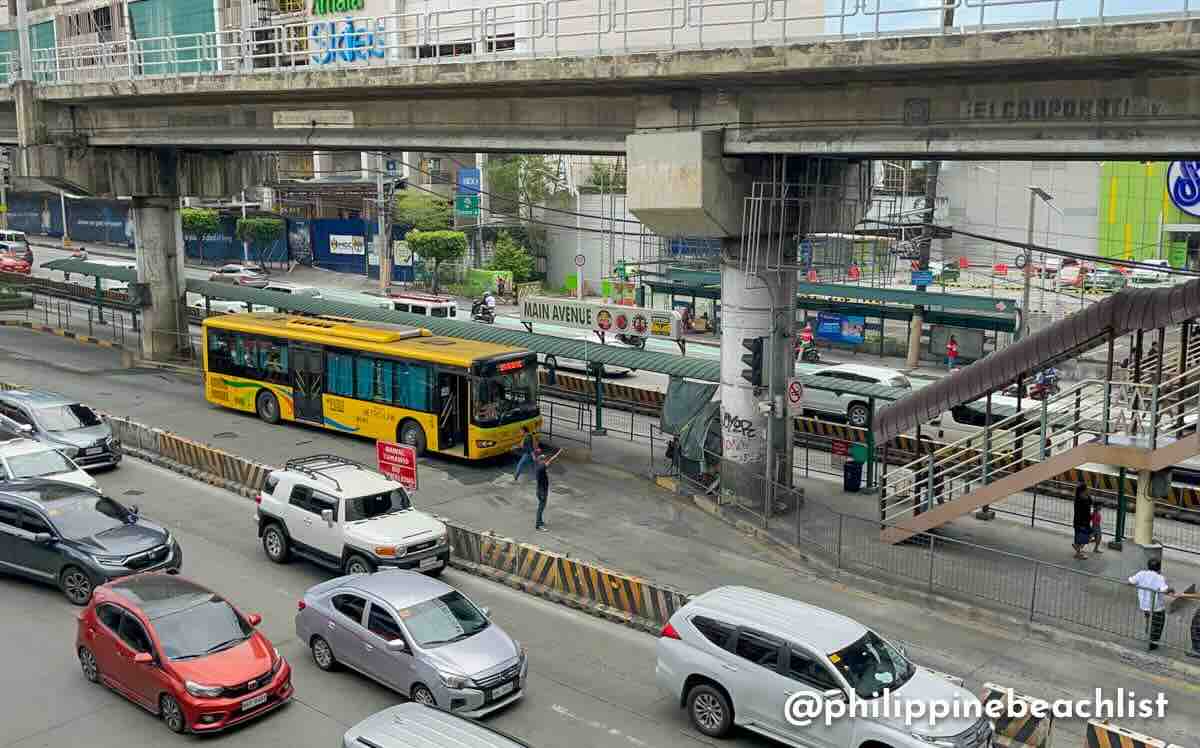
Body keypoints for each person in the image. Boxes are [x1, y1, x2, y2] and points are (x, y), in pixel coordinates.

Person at [1128, 558, 1175, 650]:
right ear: (1159, 568)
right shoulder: (1159, 577)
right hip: (1156, 606)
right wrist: (1171, 589)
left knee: (1149, 619)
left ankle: (1148, 632)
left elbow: (1130, 581)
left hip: (1144, 604)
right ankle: (1153, 642)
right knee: (1158, 623)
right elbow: (1164, 590)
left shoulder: (1141, 573)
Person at [533, 448, 562, 532]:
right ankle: (538, 525)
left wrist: (541, 456)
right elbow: (551, 460)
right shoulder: (541, 467)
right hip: (542, 492)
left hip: (540, 490)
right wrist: (558, 453)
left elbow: (544, 460)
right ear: (541, 461)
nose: (545, 461)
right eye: (544, 460)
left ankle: (540, 522)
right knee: (541, 508)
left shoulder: (538, 465)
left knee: (541, 507)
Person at [1071, 483, 1092, 560]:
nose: (1088, 490)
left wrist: (1088, 495)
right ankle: (1078, 552)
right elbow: (1083, 510)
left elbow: (1090, 501)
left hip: (1081, 522)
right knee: (1082, 537)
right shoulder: (1080, 499)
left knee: (1082, 537)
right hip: (1081, 522)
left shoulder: (1081, 498)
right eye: (1087, 489)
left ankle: (1077, 547)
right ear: (1084, 490)